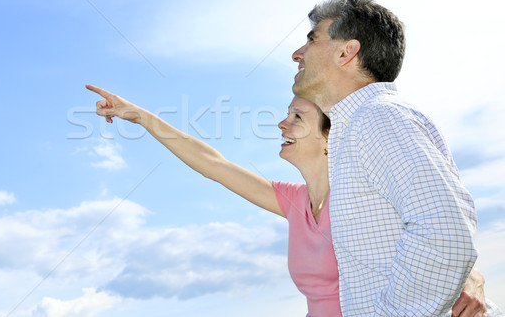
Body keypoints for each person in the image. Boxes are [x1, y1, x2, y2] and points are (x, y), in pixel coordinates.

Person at [85, 85, 491, 316]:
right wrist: (139, 116)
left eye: (297, 118)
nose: (282, 123)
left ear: (331, 137)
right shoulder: (292, 201)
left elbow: (439, 221)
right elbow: (212, 163)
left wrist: (474, 273)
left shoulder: (363, 198)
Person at [291, 0, 502, 316]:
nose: (298, 53)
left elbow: (445, 232)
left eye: (311, 39)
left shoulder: (377, 118)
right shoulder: (357, 127)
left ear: (347, 51)